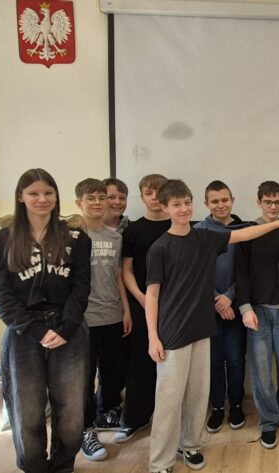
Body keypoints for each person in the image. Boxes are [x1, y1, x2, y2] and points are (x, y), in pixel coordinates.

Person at [143, 179, 279, 473]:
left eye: (187, 203)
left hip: (202, 329)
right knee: (169, 399)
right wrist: (153, 337)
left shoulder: (205, 238)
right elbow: (152, 295)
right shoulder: (159, 248)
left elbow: (245, 233)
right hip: (172, 333)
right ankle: (160, 462)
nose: (183, 209)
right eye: (176, 205)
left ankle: (190, 445)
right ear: (165, 208)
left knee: (197, 396)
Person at [0, 168, 91, 473]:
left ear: (56, 197)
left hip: (68, 330)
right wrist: (36, 331)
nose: (41, 199)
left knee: (71, 409)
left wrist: (66, 328)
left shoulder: (76, 238)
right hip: (24, 333)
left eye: (48, 193)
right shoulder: (0, 241)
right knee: (27, 409)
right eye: (33, 193)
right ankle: (33, 467)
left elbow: (81, 288)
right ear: (21, 197)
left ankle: (63, 465)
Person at [235, 181, 279, 449]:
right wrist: (245, 308)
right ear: (259, 203)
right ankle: (268, 420)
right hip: (257, 311)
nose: (273, 207)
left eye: (277, 202)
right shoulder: (248, 232)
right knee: (261, 370)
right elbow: (240, 272)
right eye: (268, 202)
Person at [72, 179, 132, 462]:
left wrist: (126, 310)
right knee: (83, 378)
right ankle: (86, 430)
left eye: (101, 198)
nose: (98, 203)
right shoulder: (72, 236)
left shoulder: (115, 237)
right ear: (79, 203)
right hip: (83, 319)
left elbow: (118, 275)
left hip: (112, 314)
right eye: (91, 199)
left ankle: (106, 412)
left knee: (113, 372)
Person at [193, 180, 252, 434]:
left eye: (225, 200)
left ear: (232, 200)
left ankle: (236, 405)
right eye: (214, 201)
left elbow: (248, 270)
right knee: (214, 361)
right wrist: (216, 300)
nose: (220, 205)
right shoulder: (197, 231)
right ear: (206, 204)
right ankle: (217, 406)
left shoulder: (245, 231)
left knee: (236, 359)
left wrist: (229, 297)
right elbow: (194, 272)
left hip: (236, 306)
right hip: (208, 308)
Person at [116, 174, 171, 443]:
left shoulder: (179, 225)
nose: (155, 198)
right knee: (140, 363)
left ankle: (169, 422)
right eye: (150, 193)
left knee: (171, 365)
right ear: (142, 197)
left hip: (174, 307)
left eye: (160, 192)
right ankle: (135, 419)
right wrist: (140, 297)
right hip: (142, 304)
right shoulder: (133, 230)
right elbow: (125, 270)